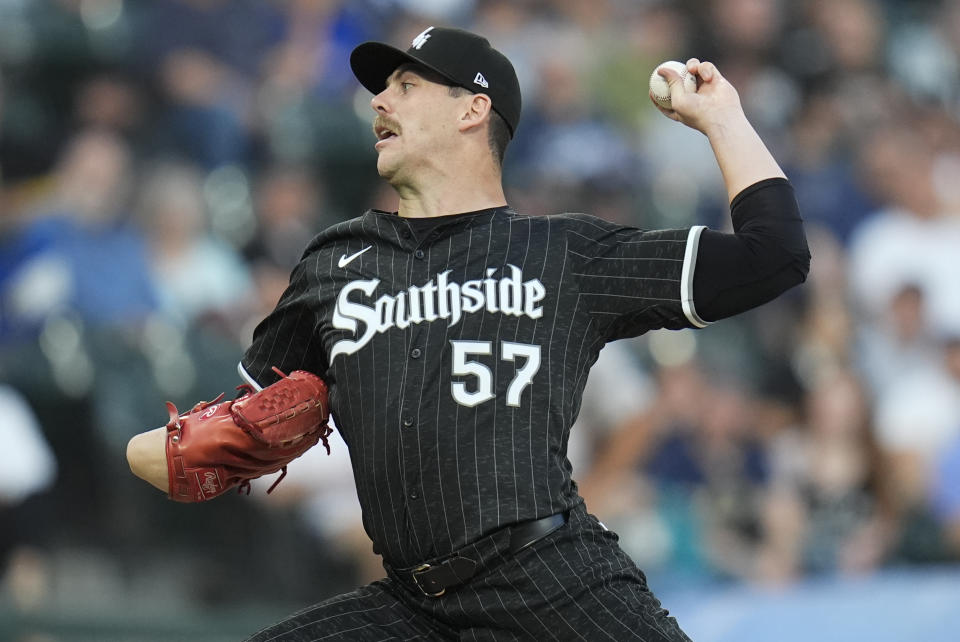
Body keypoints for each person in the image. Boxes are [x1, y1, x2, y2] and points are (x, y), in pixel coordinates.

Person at [127, 26, 809, 640]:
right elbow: (215, 433)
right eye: (382, 89)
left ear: (472, 108)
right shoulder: (334, 263)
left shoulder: (561, 253)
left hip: (551, 581)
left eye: (406, 85)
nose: (379, 103)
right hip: (414, 605)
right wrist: (164, 449)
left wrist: (722, 117)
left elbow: (773, 254)